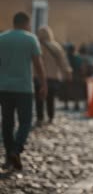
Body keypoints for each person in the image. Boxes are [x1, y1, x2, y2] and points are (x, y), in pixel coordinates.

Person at [0, 12, 47, 170]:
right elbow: (38, 64)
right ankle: (16, 149)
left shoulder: (2, 38)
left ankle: (8, 156)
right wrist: (43, 84)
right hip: (24, 88)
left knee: (7, 122)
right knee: (25, 121)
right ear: (26, 23)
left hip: (4, 87)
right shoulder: (30, 38)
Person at [34, 26, 72, 125]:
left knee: (39, 98)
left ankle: (40, 118)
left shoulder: (36, 45)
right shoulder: (55, 46)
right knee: (50, 98)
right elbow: (63, 61)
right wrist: (67, 72)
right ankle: (50, 116)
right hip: (52, 77)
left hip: (38, 76)